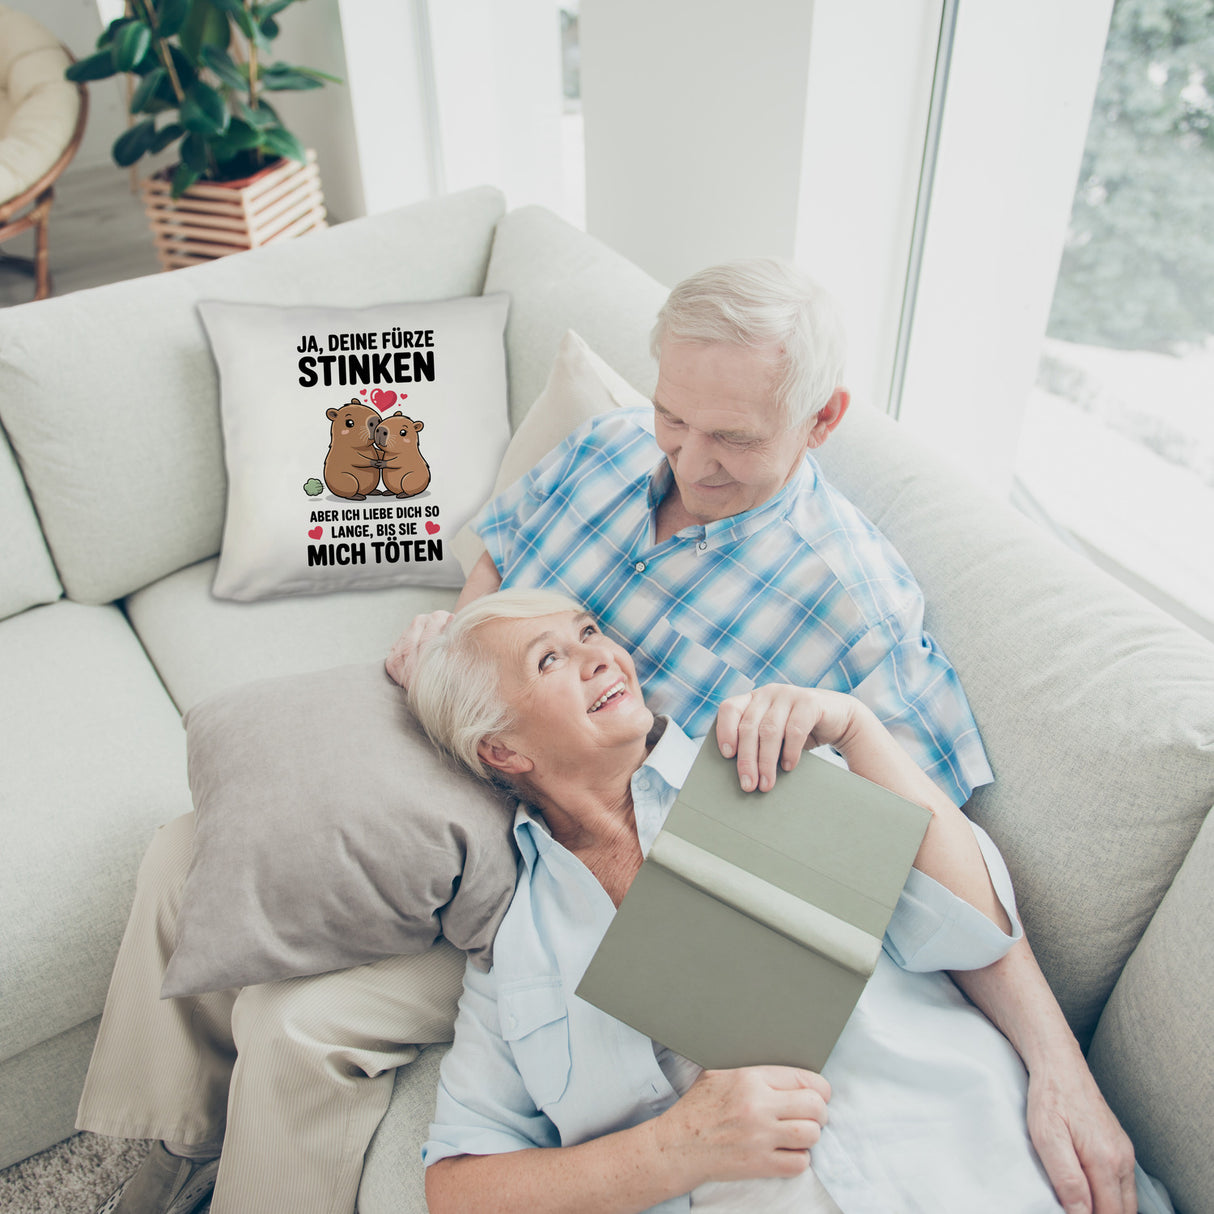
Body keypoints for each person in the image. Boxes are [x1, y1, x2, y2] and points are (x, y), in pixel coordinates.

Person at [79, 260, 1132, 1214]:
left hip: (578, 852)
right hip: (487, 746)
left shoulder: (854, 609)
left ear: (820, 420)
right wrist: (458, 641)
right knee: (192, 846)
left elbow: (927, 856)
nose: (687, 458)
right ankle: (160, 1148)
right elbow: (498, 559)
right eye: (675, 416)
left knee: (300, 1023)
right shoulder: (608, 447)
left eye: (732, 438)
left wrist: (1058, 1064)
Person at [407, 588, 1160, 1214]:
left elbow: (972, 929)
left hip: (985, 1167)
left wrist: (859, 731)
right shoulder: (516, 952)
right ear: (502, 750)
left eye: (589, 632)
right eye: (550, 659)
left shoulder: (762, 761)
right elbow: (458, 1188)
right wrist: (674, 1149)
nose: (601, 655)